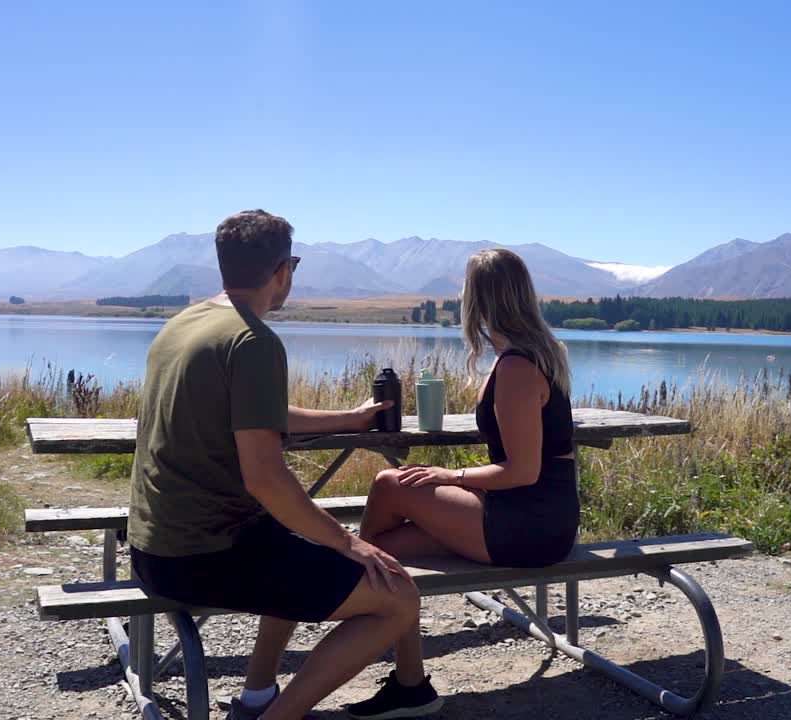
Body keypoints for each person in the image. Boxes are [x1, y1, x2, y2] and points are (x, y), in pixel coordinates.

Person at [127, 209, 419, 720]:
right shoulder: (255, 341)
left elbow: (256, 415)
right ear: (282, 269)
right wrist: (348, 542)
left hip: (154, 549)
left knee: (292, 539)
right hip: (204, 557)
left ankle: (258, 696)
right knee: (399, 596)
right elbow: (264, 479)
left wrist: (348, 418)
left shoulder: (187, 324)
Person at [344, 248, 578, 719]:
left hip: (530, 522)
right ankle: (410, 683)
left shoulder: (515, 366)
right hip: (540, 517)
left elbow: (523, 471)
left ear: (480, 301)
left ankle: (355, 589)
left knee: (390, 484)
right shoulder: (531, 355)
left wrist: (451, 475)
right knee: (388, 550)